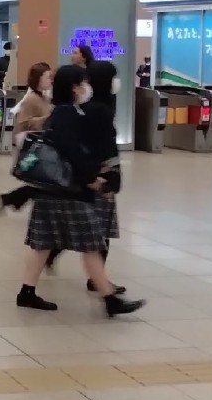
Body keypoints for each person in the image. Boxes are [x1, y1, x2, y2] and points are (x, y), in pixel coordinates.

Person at [15, 64, 143, 318]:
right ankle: (109, 298)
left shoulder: (62, 112)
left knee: (44, 244)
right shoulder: (68, 114)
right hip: (69, 190)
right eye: (83, 83)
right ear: (75, 87)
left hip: (52, 189)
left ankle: (26, 292)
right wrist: (91, 177)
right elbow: (70, 150)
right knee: (91, 244)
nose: (87, 88)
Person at [45, 61, 126, 294]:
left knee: (90, 232)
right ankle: (101, 285)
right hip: (98, 176)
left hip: (94, 174)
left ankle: (97, 281)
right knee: (95, 234)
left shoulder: (88, 108)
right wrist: (99, 173)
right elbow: (96, 145)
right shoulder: (94, 110)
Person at [0, 63, 53, 213]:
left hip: (38, 144)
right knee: (41, 178)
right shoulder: (31, 99)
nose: (50, 80)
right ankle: (12, 199)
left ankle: (10, 199)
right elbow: (24, 122)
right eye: (48, 77)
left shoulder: (44, 97)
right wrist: (47, 118)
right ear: (38, 79)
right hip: (31, 146)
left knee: (40, 179)